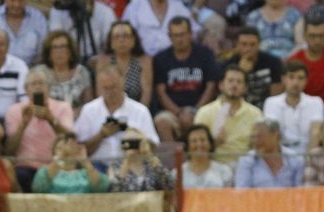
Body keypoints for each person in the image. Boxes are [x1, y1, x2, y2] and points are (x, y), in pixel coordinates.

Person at [74, 60, 158, 165]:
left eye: (113, 87)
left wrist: (134, 140)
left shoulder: (140, 111)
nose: (110, 92)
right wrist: (101, 135)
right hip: (97, 168)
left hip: (131, 166)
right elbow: (79, 149)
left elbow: (153, 147)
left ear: (123, 82)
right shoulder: (89, 110)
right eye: (106, 88)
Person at [153, 14, 219, 142]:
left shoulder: (205, 54)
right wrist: (178, 112)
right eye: (175, 35)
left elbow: (211, 87)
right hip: (172, 111)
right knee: (161, 121)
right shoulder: (161, 58)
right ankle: (172, 160)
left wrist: (195, 110)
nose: (179, 39)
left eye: (182, 34)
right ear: (169, 37)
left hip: (201, 109)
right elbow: (161, 93)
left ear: (190, 34)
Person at [5, 65, 74, 178]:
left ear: (49, 88)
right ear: (26, 90)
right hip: (25, 167)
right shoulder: (14, 110)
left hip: (56, 165)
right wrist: (23, 125)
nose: (38, 87)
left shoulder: (63, 107)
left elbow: (70, 139)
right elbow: (10, 150)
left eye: (41, 83)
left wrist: (51, 119)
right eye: (33, 84)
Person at [192, 64, 261, 162]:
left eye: (239, 82)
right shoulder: (205, 112)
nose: (234, 85)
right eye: (230, 81)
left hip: (245, 165)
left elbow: (258, 148)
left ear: (245, 88)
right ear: (221, 85)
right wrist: (214, 144)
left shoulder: (255, 113)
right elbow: (195, 149)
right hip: (214, 165)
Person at [287, 11, 324, 107]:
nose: (317, 41)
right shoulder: (295, 60)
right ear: (305, 36)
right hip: (303, 109)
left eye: (321, 36)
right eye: (312, 36)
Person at [264, 59, 324, 154]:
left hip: (308, 153)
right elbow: (272, 134)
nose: (295, 83)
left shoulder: (316, 102)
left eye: (300, 78)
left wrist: (308, 161)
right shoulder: (271, 102)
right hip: (280, 156)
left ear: (306, 81)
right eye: (291, 77)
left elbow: (315, 133)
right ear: (283, 79)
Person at [32, 128, 109, 191]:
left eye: (72, 146)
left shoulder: (85, 174)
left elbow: (101, 188)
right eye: (60, 148)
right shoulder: (45, 172)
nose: (67, 150)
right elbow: (39, 187)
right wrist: (62, 156)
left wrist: (84, 160)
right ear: (53, 153)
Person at [98, 20, 151, 109]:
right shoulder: (104, 61)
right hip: (109, 110)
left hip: (137, 110)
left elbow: (146, 93)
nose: (121, 40)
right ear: (110, 42)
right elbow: (101, 93)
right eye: (116, 36)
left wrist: (139, 113)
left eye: (126, 36)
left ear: (133, 40)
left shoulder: (144, 60)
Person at [234, 117, 299, 186]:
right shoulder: (247, 160)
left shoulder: (294, 158)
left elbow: (301, 192)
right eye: (253, 137)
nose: (256, 141)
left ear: (276, 136)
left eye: (260, 136)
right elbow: (241, 192)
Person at [0, 0, 46, 66]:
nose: (17, 5)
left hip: (31, 70)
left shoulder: (38, 18)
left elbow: (43, 49)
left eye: (21, 1)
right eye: (12, 0)